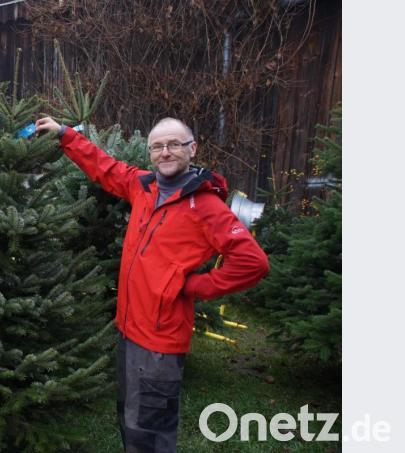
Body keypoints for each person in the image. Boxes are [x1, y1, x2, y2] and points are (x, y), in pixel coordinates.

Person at [34, 116, 269, 452]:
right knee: (130, 419)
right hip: (129, 329)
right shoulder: (144, 186)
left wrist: (194, 287)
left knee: (150, 431)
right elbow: (105, 168)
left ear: (192, 149)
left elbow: (253, 262)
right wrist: (64, 134)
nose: (165, 152)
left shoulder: (206, 206)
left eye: (174, 144)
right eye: (157, 147)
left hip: (161, 340)